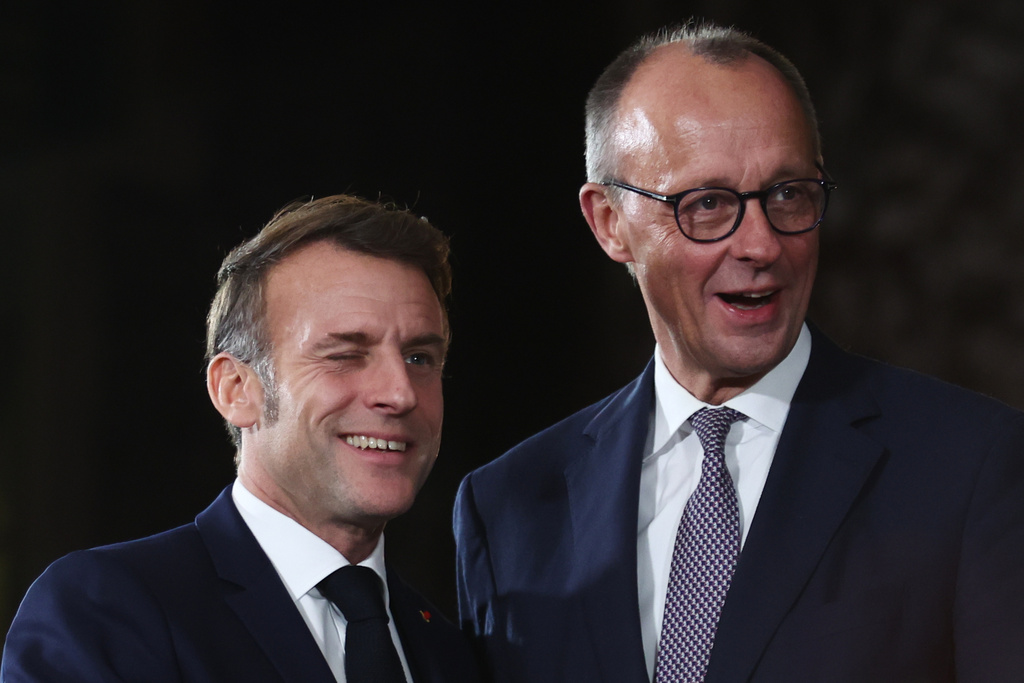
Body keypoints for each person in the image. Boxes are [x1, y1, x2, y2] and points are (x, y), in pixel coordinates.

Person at [454, 22, 1024, 683]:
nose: (760, 244)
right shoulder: (512, 507)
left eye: (787, 194)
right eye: (708, 204)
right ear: (610, 223)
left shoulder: (972, 465)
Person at [3, 194, 481, 683]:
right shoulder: (109, 610)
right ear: (235, 390)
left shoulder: (449, 654)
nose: (400, 393)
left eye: (420, 358)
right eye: (344, 354)